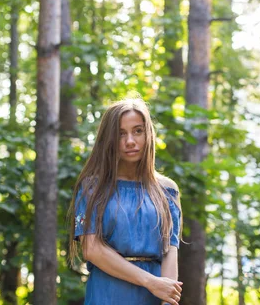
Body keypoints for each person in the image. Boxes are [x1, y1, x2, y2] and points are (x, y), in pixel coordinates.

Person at [67, 98, 183, 305]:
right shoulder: (92, 187)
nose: (130, 140)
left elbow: (170, 251)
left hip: (155, 296)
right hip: (107, 294)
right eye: (121, 133)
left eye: (138, 131)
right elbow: (91, 249)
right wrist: (150, 282)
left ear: (148, 134)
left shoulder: (168, 190)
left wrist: (168, 301)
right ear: (108, 139)